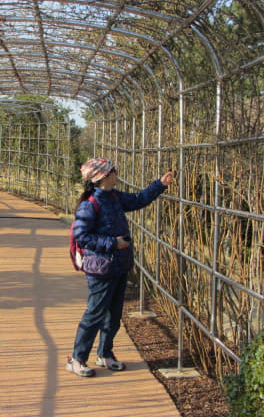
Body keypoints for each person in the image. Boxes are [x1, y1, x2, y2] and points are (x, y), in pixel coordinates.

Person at [66, 157, 173, 377]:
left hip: (119, 266)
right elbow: (83, 236)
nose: (117, 173)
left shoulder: (114, 197)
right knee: (94, 314)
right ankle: (77, 359)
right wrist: (113, 243)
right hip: (101, 269)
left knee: (113, 315)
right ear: (104, 176)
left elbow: (138, 199)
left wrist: (160, 184)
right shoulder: (90, 204)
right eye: (113, 170)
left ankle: (105, 354)